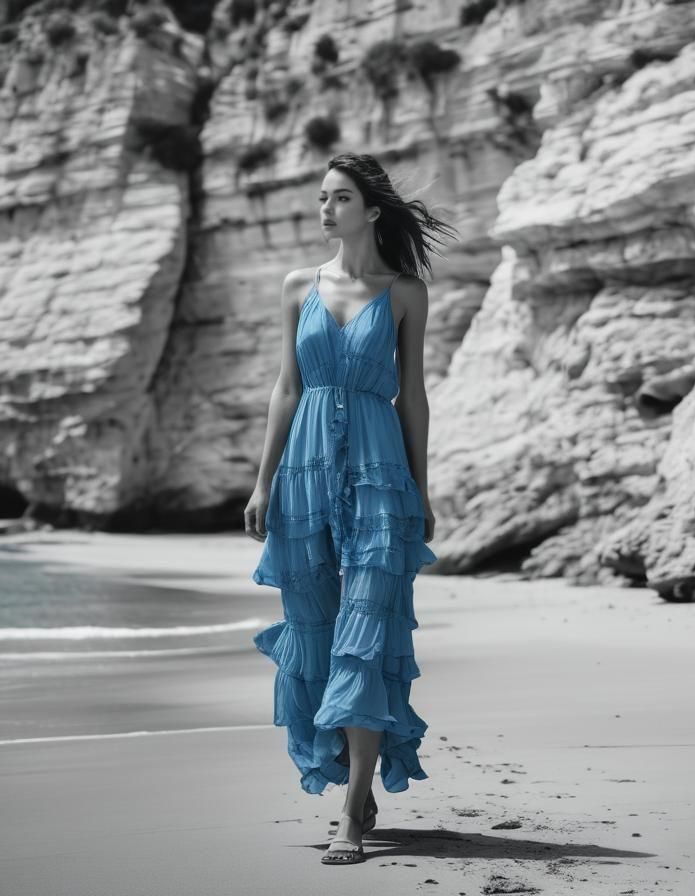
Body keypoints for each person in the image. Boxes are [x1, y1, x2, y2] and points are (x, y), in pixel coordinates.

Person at [244, 152, 456, 865]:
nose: (325, 209)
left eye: (339, 198)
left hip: (378, 474)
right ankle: (352, 773)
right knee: (317, 627)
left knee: (364, 633)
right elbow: (286, 390)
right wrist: (262, 482)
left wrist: (421, 490)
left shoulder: (404, 293)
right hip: (303, 477)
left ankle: (352, 818)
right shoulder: (297, 286)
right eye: (321, 198)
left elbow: (413, 397)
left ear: (371, 210)